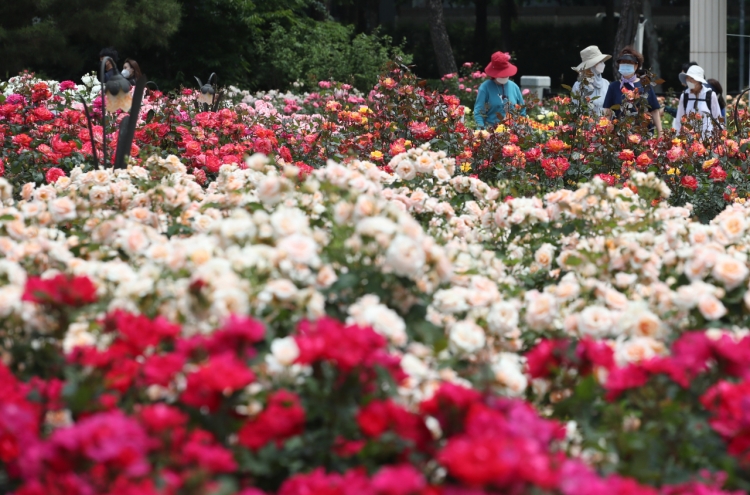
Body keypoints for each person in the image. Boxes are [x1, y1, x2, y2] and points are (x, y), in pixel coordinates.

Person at [602, 46, 662, 137]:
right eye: (623, 62)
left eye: (629, 63)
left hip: (643, 135)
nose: (626, 65)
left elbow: (654, 110)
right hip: (620, 136)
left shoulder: (645, 85)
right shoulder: (613, 86)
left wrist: (660, 133)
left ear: (636, 66)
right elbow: (607, 111)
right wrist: (604, 134)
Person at [474, 51, 526, 129]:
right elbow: (479, 113)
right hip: (491, 134)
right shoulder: (485, 87)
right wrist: (481, 132)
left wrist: (522, 126)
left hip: (513, 132)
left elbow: (522, 110)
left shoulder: (514, 87)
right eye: (501, 75)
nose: (504, 76)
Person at [673, 66, 722, 136]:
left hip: (708, 138)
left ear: (699, 81)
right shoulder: (684, 96)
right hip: (689, 139)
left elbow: (718, 117)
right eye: (687, 78)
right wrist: (678, 137)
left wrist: (720, 137)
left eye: (692, 78)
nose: (689, 81)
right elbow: (679, 119)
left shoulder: (710, 95)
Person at [571, 45, 611, 115]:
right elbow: (575, 109)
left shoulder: (606, 83)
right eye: (600, 61)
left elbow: (609, 108)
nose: (603, 64)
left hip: (604, 124)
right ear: (592, 65)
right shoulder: (578, 85)